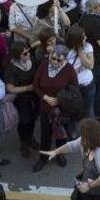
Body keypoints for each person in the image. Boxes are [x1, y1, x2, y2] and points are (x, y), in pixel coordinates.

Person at [32, 44, 79, 173]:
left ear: (65, 59)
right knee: (45, 135)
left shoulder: (69, 69)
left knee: (61, 135)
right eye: (53, 58)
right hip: (45, 107)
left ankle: (59, 155)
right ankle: (43, 158)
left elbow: (74, 89)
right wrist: (44, 97)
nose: (54, 62)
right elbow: (36, 85)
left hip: (61, 110)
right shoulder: (43, 65)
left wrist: (61, 100)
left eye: (59, 60)